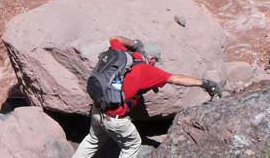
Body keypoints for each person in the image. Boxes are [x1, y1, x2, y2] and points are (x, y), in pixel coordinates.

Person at [72, 36, 223, 158]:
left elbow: (114, 38)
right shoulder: (148, 70)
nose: (155, 64)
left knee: (93, 139)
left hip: (98, 108)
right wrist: (204, 83)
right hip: (116, 118)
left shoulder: (123, 56)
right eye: (155, 61)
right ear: (151, 58)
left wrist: (135, 44)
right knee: (132, 145)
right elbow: (175, 79)